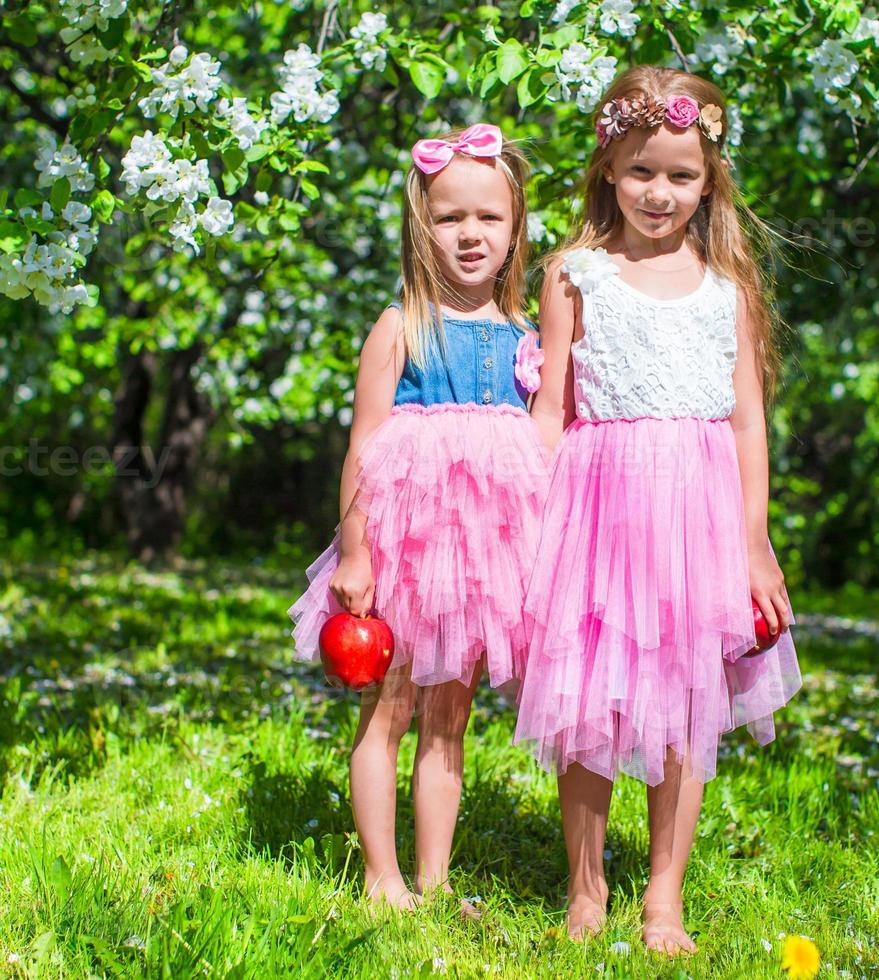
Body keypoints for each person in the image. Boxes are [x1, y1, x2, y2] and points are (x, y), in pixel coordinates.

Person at [513, 66, 803, 954]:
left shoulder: (728, 289)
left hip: (699, 519)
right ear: (607, 169)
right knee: (588, 701)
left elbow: (748, 422)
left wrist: (754, 546)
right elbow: (552, 411)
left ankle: (664, 897)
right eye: (641, 170)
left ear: (710, 179)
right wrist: (525, 523)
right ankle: (587, 884)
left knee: (685, 705)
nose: (659, 191)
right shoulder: (577, 275)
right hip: (597, 512)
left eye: (680, 174)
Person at [289, 123, 548, 911]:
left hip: (478, 564)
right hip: (404, 546)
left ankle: (433, 880)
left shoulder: (526, 336)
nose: (469, 234)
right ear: (420, 224)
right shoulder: (400, 327)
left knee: (449, 718)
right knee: (389, 708)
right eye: (448, 218)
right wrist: (356, 553)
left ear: (515, 230)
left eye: (488, 218)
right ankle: (381, 875)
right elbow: (365, 447)